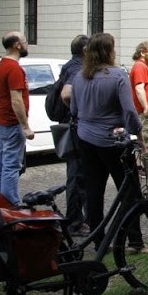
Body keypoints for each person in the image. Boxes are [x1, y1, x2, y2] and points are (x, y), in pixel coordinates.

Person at [70, 33, 147, 251]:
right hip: (113, 142)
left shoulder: (79, 77)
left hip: (86, 140)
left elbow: (74, 110)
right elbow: (130, 111)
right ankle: (134, 241)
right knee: (130, 191)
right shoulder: (117, 76)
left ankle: (98, 241)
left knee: (94, 191)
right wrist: (139, 137)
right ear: (109, 51)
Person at [0, 31, 35, 204]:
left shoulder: (1, 64)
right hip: (11, 124)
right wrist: (25, 126)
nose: (27, 44)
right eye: (24, 41)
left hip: (0, 121)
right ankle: (11, 204)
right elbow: (16, 101)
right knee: (11, 166)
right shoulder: (14, 68)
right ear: (17, 45)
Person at [56, 34, 89, 234]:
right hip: (75, 128)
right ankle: (75, 222)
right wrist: (77, 113)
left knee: (76, 176)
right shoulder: (77, 68)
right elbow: (66, 94)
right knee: (77, 177)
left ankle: (77, 219)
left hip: (71, 125)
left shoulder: (69, 65)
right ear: (85, 50)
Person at [129, 40, 148, 151]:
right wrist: (146, 106)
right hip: (145, 111)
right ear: (142, 53)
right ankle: (147, 167)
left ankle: (145, 166)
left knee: (146, 141)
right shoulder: (140, 66)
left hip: (147, 110)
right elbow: (139, 88)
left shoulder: (143, 66)